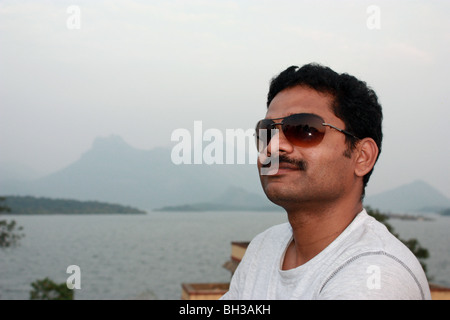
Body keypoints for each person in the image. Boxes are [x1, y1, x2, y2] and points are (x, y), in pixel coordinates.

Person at [221, 63, 430, 300]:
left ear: (362, 157)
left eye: (304, 129)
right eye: (267, 132)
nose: (273, 146)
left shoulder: (375, 277)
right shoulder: (264, 248)